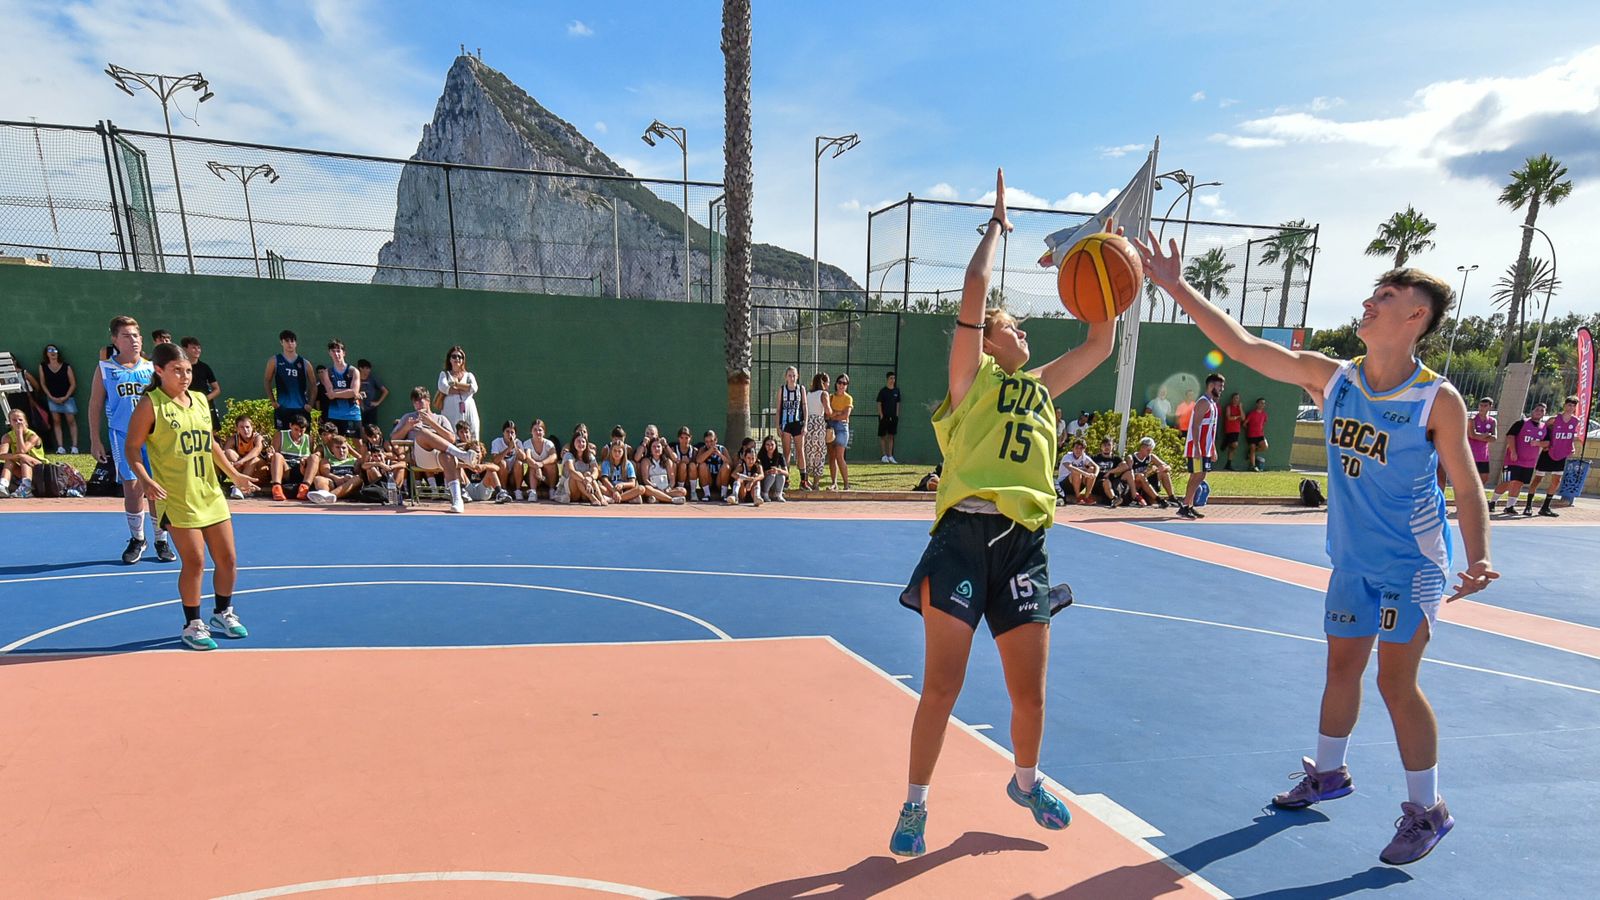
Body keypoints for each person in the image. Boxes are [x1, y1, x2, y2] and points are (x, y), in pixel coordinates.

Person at [1137, 232, 1496, 865]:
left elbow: (1466, 486)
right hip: (1351, 562)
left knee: (1394, 681)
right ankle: (1329, 773)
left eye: (1385, 296)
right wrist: (1174, 285)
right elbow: (1243, 348)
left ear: (1416, 316)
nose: (1369, 301)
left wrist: (1479, 555)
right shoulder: (1334, 379)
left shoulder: (1436, 399)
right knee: (1340, 669)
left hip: (1411, 568)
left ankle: (1429, 811)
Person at [890, 170, 1113, 858]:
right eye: (1013, 325)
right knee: (942, 688)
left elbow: (1100, 339)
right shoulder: (971, 379)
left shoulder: (1041, 386)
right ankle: (915, 804)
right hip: (962, 539)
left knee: (1031, 697)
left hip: (1024, 546)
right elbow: (975, 291)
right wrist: (998, 228)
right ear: (989, 339)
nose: (1024, 331)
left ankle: (1024, 781)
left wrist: (1093, 252)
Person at [123, 342, 257, 651]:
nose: (184, 376)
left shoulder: (198, 400)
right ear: (159, 370)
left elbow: (209, 443)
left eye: (188, 371)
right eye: (177, 371)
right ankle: (192, 623)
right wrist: (144, 480)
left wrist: (233, 474)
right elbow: (132, 447)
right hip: (176, 495)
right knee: (195, 561)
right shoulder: (151, 404)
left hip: (209, 492)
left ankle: (223, 613)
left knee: (228, 559)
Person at [89, 316, 174, 564]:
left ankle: (161, 539)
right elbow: (95, 404)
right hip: (123, 436)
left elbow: (166, 402)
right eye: (127, 335)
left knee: (156, 488)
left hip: (154, 436)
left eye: (136, 335)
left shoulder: (151, 368)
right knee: (133, 487)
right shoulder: (105, 369)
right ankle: (138, 538)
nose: (134, 340)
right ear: (115, 339)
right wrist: (95, 439)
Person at [392, 386, 475, 513]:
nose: (417, 404)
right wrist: (407, 427)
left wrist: (432, 423)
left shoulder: (440, 418)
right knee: (422, 433)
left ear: (428, 401)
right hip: (420, 457)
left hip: (439, 457)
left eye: (420, 400)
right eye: (415, 402)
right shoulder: (408, 417)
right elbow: (393, 439)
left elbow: (452, 438)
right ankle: (462, 455)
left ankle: (458, 500)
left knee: (447, 456)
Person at [1527, 395, 1582, 517]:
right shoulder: (1553, 420)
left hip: (1561, 454)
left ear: (1575, 408)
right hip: (1548, 452)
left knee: (1556, 481)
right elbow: (1543, 432)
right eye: (1569, 405)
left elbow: (1570, 437)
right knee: (1538, 479)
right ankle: (1528, 506)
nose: (1570, 407)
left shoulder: (1575, 421)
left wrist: (1571, 446)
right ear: (1565, 405)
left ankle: (1545, 507)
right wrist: (1542, 444)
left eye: (1573, 406)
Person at [1178, 373, 1224, 519]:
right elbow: (1195, 426)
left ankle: (1189, 505)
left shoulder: (1212, 404)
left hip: (1206, 448)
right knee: (1197, 476)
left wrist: (1213, 449)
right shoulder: (1203, 402)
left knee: (1200, 476)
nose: (1222, 389)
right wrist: (1197, 447)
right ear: (1211, 386)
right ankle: (1185, 506)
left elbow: (1211, 429)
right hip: (1197, 447)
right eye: (1219, 386)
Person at [1488, 402, 1543, 516]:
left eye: (1542, 410)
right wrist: (1513, 451)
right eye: (1537, 409)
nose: (1539, 412)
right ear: (1532, 411)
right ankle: (1492, 502)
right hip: (1513, 459)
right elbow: (1510, 436)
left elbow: (1547, 442)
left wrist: (1539, 443)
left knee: (1519, 483)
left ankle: (1510, 506)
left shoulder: (1544, 428)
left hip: (1529, 462)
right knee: (1507, 481)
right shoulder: (1521, 423)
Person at [264, 330, 315, 433]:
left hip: (301, 408)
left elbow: (313, 384)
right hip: (283, 408)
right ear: (281, 342)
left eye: (292, 341)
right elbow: (267, 380)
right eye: (286, 341)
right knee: (282, 437)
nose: (290, 344)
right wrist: (273, 401)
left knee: (305, 437)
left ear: (296, 343)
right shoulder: (274, 360)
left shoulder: (305, 363)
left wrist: (310, 404)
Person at [1109, 437, 1179, 508]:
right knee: (1140, 476)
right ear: (1142, 447)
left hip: (1145, 483)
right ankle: (1159, 499)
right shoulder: (1131, 458)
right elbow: (1130, 474)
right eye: (1148, 450)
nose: (1149, 452)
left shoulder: (1151, 457)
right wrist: (1149, 471)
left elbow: (1167, 466)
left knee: (1165, 473)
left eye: (1151, 450)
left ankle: (1172, 497)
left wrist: (1163, 468)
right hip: (1134, 485)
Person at [37, 344, 79, 454]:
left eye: (54, 350)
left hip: (67, 398)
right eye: (50, 350)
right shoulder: (43, 366)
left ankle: (74, 447)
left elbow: (73, 383)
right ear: (46, 353)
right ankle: (60, 447)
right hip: (52, 399)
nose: (53, 352)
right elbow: (43, 383)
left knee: (71, 421)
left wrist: (66, 397)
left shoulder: (66, 366)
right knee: (56, 422)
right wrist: (50, 397)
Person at [268, 412, 318, 503]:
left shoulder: (309, 439)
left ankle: (304, 488)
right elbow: (272, 456)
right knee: (277, 456)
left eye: (302, 431)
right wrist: (270, 455)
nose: (299, 433)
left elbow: (312, 457)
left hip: (301, 470)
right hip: (285, 470)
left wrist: (305, 460)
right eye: (296, 429)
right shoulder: (280, 435)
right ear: (290, 426)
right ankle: (276, 488)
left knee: (314, 457)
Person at [320, 339, 364, 439]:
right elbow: (330, 396)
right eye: (333, 351)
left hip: (352, 414)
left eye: (338, 351)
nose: (336, 354)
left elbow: (354, 392)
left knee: (358, 443)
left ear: (344, 353)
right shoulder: (327, 372)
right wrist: (345, 392)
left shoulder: (353, 371)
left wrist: (335, 392)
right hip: (334, 415)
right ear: (329, 353)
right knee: (333, 442)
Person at [177, 336, 222, 433]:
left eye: (198, 348)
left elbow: (217, 389)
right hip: (186, 406)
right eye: (193, 348)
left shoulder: (205, 367)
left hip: (205, 406)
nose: (197, 350)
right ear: (184, 349)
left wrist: (204, 399)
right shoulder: (179, 368)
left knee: (211, 432)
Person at [435, 345, 480, 440]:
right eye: (454, 356)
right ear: (449, 359)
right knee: (451, 431)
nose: (457, 359)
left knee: (472, 431)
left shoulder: (469, 375)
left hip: (468, 409)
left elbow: (474, 388)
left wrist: (455, 384)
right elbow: (443, 387)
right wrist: (464, 389)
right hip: (450, 410)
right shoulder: (445, 374)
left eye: (460, 357)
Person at [0, 408, 47, 498]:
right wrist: (18, 456)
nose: (18, 422)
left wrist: (19, 433)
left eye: (20, 420)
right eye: (14, 420)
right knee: (10, 461)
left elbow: (22, 450)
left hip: (39, 468)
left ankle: (26, 488)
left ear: (25, 422)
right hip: (22, 468)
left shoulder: (33, 436)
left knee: (24, 458)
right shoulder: (7, 436)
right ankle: (3, 486)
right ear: (10, 423)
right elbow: (1, 455)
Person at [359, 422, 407, 505]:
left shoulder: (385, 444)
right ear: (367, 437)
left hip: (387, 469)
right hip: (374, 471)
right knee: (370, 469)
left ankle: (396, 491)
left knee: (400, 468)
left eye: (375, 437)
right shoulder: (365, 447)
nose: (374, 440)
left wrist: (387, 463)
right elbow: (363, 465)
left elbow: (395, 457)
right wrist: (377, 463)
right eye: (370, 438)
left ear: (379, 434)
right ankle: (379, 490)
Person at [556, 431, 607, 506]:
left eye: (583, 442)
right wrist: (585, 481)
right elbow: (571, 471)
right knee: (577, 474)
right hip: (572, 491)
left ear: (586, 444)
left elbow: (595, 470)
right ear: (573, 443)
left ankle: (601, 498)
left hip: (585, 492)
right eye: (578, 441)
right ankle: (593, 498)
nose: (581, 444)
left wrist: (590, 478)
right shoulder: (568, 455)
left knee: (588, 474)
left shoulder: (590, 456)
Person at [222, 416, 268, 499]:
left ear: (252, 427)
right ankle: (243, 487)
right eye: (242, 427)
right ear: (237, 429)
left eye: (247, 427)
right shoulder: (233, 439)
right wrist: (231, 463)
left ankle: (239, 487)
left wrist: (241, 461)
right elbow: (224, 453)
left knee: (254, 459)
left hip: (259, 473)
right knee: (228, 452)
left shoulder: (258, 437)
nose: (245, 430)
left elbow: (257, 450)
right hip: (244, 470)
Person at [776, 366, 808, 486]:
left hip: (798, 424)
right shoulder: (782, 390)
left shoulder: (801, 389)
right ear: (786, 377)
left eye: (794, 375)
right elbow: (779, 409)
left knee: (800, 451)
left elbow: (805, 407)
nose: (792, 378)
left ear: (797, 376)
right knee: (787, 452)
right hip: (786, 424)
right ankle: (786, 479)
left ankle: (803, 480)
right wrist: (778, 426)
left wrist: (805, 424)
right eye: (790, 375)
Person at [638, 437, 687, 504]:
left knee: (683, 491)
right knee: (646, 488)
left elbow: (672, 480)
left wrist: (668, 488)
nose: (656, 449)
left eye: (658, 446)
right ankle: (671, 500)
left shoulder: (667, 461)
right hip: (653, 489)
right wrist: (655, 487)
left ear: (662, 448)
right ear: (650, 449)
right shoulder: (646, 461)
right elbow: (645, 480)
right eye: (654, 447)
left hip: (666, 489)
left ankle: (659, 498)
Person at [803, 373, 831, 490]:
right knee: (819, 452)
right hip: (818, 424)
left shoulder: (808, 394)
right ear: (824, 383)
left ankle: (806, 480)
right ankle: (816, 483)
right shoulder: (824, 394)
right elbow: (828, 411)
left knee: (808, 451)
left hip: (808, 423)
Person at [828, 373, 854, 490]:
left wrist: (835, 413)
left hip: (842, 428)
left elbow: (845, 416)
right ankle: (834, 483)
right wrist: (837, 413)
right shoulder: (830, 397)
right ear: (836, 384)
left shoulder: (848, 398)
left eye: (844, 383)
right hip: (831, 428)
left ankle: (846, 483)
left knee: (839, 456)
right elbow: (827, 414)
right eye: (840, 382)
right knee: (831, 457)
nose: (841, 385)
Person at [490, 420, 529, 500]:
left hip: (513, 477)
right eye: (507, 432)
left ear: (515, 434)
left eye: (512, 432)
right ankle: (503, 490)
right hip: (501, 474)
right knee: (502, 463)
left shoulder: (518, 442)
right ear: (503, 432)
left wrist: (515, 447)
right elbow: (495, 460)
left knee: (519, 463)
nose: (510, 435)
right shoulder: (496, 442)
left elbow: (524, 458)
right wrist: (508, 449)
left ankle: (518, 490)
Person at [598, 440, 645, 504]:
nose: (617, 453)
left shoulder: (628, 464)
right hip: (611, 489)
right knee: (599, 487)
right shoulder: (606, 463)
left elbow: (632, 483)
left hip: (625, 490)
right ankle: (626, 499)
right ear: (611, 451)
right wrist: (614, 491)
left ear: (623, 452)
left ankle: (614, 499)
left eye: (619, 451)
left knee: (641, 489)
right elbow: (604, 480)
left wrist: (622, 485)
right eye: (614, 451)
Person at [522, 419, 559, 500]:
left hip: (547, 479)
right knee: (532, 466)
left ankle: (552, 490)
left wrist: (541, 463)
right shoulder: (527, 443)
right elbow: (528, 458)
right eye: (535, 430)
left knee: (551, 465)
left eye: (540, 430)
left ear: (544, 432)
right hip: (533, 476)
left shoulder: (549, 443)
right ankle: (533, 492)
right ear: (531, 431)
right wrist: (537, 467)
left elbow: (554, 456)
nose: (538, 432)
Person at [693, 429, 731, 502]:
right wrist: (710, 451)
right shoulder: (703, 449)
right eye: (706, 442)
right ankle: (707, 494)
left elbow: (730, 463)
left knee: (726, 466)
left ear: (716, 440)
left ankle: (724, 495)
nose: (709, 444)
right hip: (707, 481)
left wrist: (720, 454)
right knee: (702, 465)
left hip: (719, 481)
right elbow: (698, 460)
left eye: (711, 441)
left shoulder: (722, 449)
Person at [1056, 438, 1097, 505]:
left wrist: (1094, 475)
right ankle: (1078, 497)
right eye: (1076, 448)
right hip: (1064, 485)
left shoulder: (1084, 457)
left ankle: (1086, 497)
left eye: (1081, 448)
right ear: (1073, 448)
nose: (1078, 450)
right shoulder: (1067, 456)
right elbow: (1071, 468)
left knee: (1091, 469)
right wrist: (1085, 473)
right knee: (1076, 472)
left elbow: (1096, 466)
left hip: (1077, 484)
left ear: (1084, 450)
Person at [1467, 397, 1496, 489]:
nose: (1482, 408)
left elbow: (1494, 438)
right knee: (1469, 477)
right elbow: (1472, 435)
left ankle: (1475, 494)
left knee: (1484, 477)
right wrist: (1486, 435)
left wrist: (1480, 436)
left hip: (1483, 455)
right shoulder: (1472, 419)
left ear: (1490, 407)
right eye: (1481, 405)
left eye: (1485, 406)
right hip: (1471, 453)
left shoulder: (1492, 421)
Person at [1089, 436, 1124, 506]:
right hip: (1097, 484)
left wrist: (1110, 472)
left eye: (1109, 445)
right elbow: (1087, 466)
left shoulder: (1115, 458)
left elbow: (1125, 466)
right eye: (1104, 445)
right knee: (1106, 481)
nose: (1107, 447)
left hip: (1111, 484)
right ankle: (1114, 499)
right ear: (1101, 447)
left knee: (1128, 473)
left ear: (1113, 446)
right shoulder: (1095, 458)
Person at [356, 358, 389, 430]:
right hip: (358, 409)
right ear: (361, 368)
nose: (369, 370)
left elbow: (385, 391)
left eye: (369, 368)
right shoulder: (355, 379)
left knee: (372, 429)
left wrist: (378, 402)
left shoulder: (373, 378)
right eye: (367, 368)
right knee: (360, 429)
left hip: (371, 409)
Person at [877, 371, 902, 463]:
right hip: (884, 417)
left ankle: (890, 455)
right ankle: (884, 456)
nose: (892, 380)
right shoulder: (883, 391)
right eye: (891, 378)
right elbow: (879, 403)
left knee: (891, 436)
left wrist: (896, 415)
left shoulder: (896, 391)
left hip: (893, 417)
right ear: (887, 379)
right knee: (883, 436)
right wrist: (881, 415)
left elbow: (898, 403)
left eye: (894, 378)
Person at [756, 434, 789, 502]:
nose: (770, 447)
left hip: (775, 482)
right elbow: (758, 472)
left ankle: (778, 494)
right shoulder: (761, 456)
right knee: (772, 475)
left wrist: (778, 470)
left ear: (776, 445)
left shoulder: (780, 456)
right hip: (765, 481)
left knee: (781, 475)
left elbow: (786, 473)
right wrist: (767, 472)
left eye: (772, 444)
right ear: (764, 445)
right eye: (767, 445)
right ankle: (764, 493)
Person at [1221, 392, 1245, 470]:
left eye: (1238, 398)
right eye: (1235, 398)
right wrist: (1237, 417)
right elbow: (1229, 418)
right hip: (1229, 429)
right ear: (1232, 399)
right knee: (1235, 444)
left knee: (1233, 446)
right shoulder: (1229, 407)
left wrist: (1240, 408)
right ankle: (1226, 442)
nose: (1236, 400)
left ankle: (1229, 463)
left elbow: (1243, 418)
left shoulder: (1239, 408)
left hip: (1237, 429)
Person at [1245, 397, 1270, 470]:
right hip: (1251, 435)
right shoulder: (1252, 413)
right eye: (1261, 403)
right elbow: (1245, 423)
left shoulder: (1264, 414)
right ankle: (1252, 466)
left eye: (1264, 403)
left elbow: (1264, 423)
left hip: (1260, 435)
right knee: (1252, 448)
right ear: (1257, 404)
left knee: (1265, 447)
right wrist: (1249, 430)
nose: (1263, 405)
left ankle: (1250, 453)